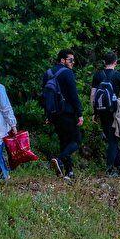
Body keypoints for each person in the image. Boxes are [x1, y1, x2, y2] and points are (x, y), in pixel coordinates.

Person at [42, 49, 83, 180]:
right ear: (62, 60)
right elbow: (73, 95)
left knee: (64, 142)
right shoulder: (67, 73)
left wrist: (47, 115)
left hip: (54, 114)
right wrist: (80, 113)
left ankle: (68, 172)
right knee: (76, 140)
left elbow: (44, 97)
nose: (73, 62)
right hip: (67, 112)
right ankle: (59, 160)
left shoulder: (48, 73)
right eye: (70, 60)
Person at [91, 52, 120, 176]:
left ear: (104, 62)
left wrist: (95, 111)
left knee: (110, 138)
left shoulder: (98, 75)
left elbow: (93, 95)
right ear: (115, 62)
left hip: (102, 110)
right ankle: (110, 169)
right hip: (115, 111)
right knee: (113, 140)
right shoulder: (119, 76)